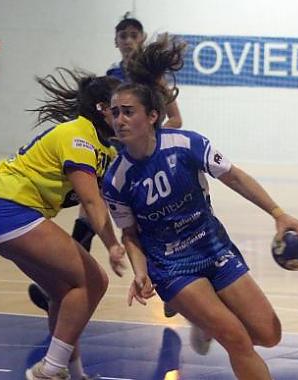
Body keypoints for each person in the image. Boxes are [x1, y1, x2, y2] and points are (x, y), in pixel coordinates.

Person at [102, 34, 298, 379]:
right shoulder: (117, 179)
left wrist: (279, 213)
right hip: (172, 267)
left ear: (153, 116)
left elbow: (234, 177)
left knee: (268, 334)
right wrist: (141, 272)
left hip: (214, 249)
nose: (120, 120)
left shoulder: (187, 144)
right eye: (115, 113)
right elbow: (130, 233)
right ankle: (201, 313)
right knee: (236, 339)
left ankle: (203, 319)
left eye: (128, 112)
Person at [0, 68, 126, 380]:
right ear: (101, 109)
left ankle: (73, 373)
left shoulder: (105, 147)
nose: (123, 117)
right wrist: (112, 244)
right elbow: (91, 201)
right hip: (7, 208)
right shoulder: (78, 137)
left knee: (66, 291)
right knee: (95, 281)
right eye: (119, 110)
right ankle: (49, 371)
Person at [29, 14, 185, 318]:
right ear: (115, 41)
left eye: (133, 35)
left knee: (148, 221)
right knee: (90, 209)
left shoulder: (151, 79)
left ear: (141, 39)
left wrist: (149, 137)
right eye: (122, 36)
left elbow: (177, 119)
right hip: (114, 153)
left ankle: (174, 284)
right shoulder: (112, 75)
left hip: (144, 155)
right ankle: (60, 284)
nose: (127, 40)